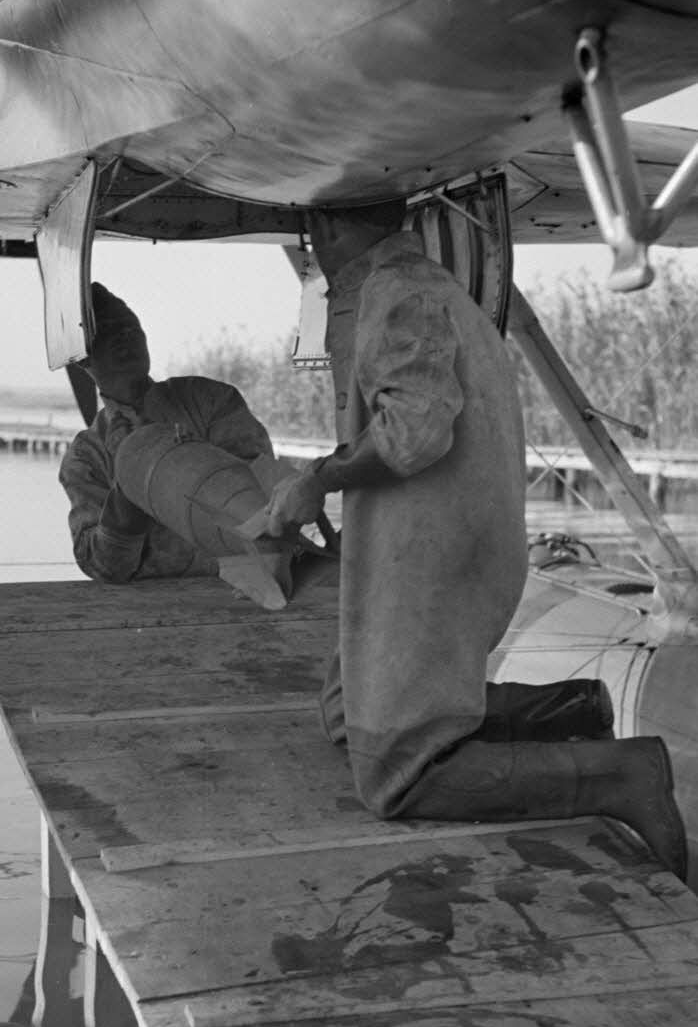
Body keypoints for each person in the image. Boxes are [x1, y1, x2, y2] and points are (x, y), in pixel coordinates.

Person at [264, 200, 687, 880]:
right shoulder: (431, 285)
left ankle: (621, 774)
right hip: (449, 543)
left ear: (327, 227)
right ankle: (571, 708)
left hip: (433, 559)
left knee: (394, 778)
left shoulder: (397, 293)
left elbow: (416, 433)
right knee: (346, 714)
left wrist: (318, 480)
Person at [59, 283, 275, 584]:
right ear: (83, 357)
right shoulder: (86, 456)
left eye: (132, 328)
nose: (126, 337)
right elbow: (103, 567)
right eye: (109, 332)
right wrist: (129, 485)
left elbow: (266, 500)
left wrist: (179, 460)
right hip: (151, 603)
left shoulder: (210, 400)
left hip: (241, 589)